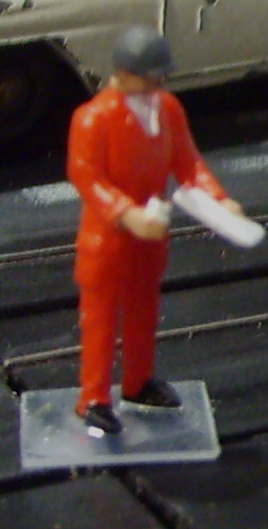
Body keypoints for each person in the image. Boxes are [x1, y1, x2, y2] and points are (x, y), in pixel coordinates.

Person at [69, 26, 244, 438]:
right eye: (151, 76)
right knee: (101, 319)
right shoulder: (93, 117)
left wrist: (218, 199)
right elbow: (86, 176)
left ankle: (138, 381)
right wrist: (126, 213)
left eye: (161, 76)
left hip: (152, 233)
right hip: (108, 238)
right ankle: (93, 397)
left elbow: (188, 163)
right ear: (124, 74)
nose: (159, 83)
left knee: (144, 312)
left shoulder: (167, 109)